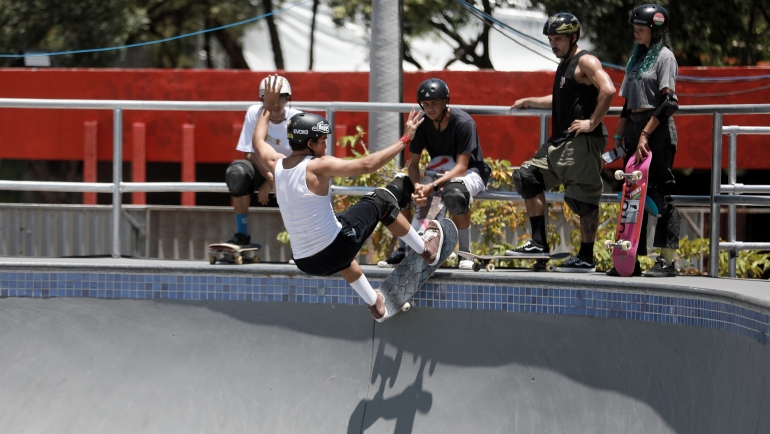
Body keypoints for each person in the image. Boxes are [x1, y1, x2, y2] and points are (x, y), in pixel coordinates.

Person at [252, 76, 444, 321]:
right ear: (310, 143)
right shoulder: (317, 166)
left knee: (339, 228)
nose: (325, 148)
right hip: (333, 248)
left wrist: (267, 107)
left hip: (305, 261)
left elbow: (258, 141)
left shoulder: (275, 164)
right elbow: (366, 165)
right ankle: (425, 250)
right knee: (382, 199)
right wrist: (405, 139)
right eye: (321, 143)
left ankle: (376, 304)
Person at [507, 12, 615, 273]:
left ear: (573, 37)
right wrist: (530, 100)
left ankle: (586, 258)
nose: (553, 44)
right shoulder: (565, 65)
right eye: (550, 39)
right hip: (560, 142)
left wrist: (591, 122)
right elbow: (560, 99)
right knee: (527, 176)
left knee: (584, 201)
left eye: (558, 39)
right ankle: (539, 244)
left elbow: (609, 89)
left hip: (581, 142)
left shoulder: (585, 61)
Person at [380, 78, 491, 270]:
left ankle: (465, 254)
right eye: (425, 104)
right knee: (396, 190)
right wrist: (417, 189)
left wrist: (431, 187)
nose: (429, 109)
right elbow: (413, 165)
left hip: (472, 171)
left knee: (455, 194)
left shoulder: (464, 123)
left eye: (434, 103)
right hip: (439, 172)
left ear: (445, 101)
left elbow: (461, 167)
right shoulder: (421, 123)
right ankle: (403, 249)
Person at [606, 4, 680, 277]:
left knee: (660, 195)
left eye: (642, 27)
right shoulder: (637, 58)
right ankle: (629, 258)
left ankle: (668, 261)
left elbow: (669, 102)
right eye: (634, 26)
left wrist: (645, 134)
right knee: (632, 195)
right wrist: (618, 135)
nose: (635, 31)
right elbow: (627, 104)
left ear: (656, 29)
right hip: (634, 131)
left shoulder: (665, 57)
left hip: (656, 131)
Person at [222, 75, 302, 247]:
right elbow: (249, 153)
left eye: (281, 97)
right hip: (264, 170)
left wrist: (275, 178)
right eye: (270, 98)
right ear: (262, 99)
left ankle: (299, 241)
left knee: (302, 180)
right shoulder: (254, 112)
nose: (276, 103)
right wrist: (268, 177)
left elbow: (302, 158)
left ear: (288, 99)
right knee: (238, 173)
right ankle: (241, 235)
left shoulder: (298, 119)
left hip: (289, 170)